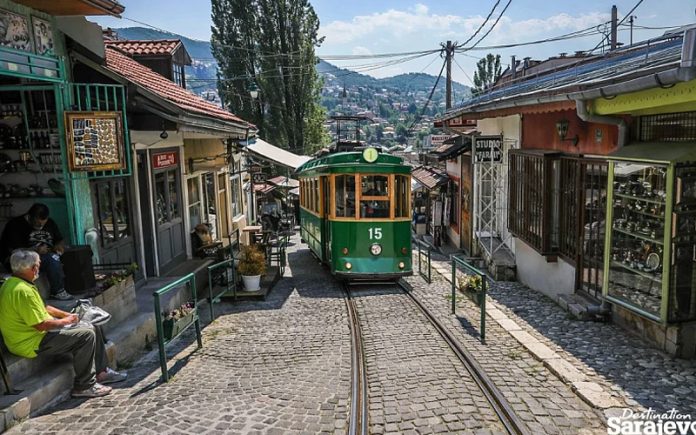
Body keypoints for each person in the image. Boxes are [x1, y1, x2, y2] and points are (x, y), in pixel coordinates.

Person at [0, 250, 127, 398]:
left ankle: (101, 372)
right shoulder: (22, 290)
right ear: (34, 268)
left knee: (90, 320)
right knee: (86, 334)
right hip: (31, 341)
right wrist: (66, 322)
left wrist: (67, 315)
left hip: (34, 335)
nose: (39, 269)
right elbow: (41, 325)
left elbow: (43, 307)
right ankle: (85, 385)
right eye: (38, 265)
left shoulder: (14, 283)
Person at [0, 203, 72, 301]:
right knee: (51, 259)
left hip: (44, 256)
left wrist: (58, 246)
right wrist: (35, 250)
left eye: (43, 224)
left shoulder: (50, 223)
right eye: (37, 223)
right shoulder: (15, 225)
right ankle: (58, 291)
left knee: (70, 256)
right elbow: (14, 251)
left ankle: (72, 287)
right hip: (20, 258)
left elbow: (59, 240)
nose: (40, 226)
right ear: (30, 217)